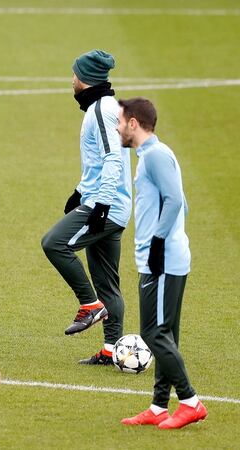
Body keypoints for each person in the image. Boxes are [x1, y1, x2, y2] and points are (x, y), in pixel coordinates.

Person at [116, 98, 207, 429]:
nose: (117, 127)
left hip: (162, 261)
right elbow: (183, 203)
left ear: (134, 123)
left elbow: (173, 200)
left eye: (121, 121)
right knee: (166, 334)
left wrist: (158, 243)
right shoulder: (155, 155)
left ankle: (190, 402)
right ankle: (158, 407)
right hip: (166, 257)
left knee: (153, 333)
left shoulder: (154, 156)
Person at [41, 49, 132, 364]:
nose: (72, 80)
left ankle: (89, 305)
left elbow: (112, 159)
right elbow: (97, 163)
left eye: (75, 75)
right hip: (106, 202)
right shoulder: (104, 106)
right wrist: (79, 193)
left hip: (106, 205)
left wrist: (101, 205)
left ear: (85, 79)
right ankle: (111, 350)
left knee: (54, 244)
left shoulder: (100, 111)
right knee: (107, 278)